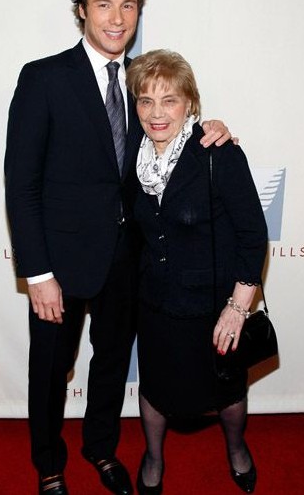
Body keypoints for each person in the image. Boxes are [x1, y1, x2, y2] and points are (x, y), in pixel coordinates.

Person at [4, 0, 232, 495]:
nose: (116, 17)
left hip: (126, 261)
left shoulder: (140, 80)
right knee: (49, 371)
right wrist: (37, 273)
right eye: (104, 4)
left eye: (128, 5)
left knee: (110, 363)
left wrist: (211, 129)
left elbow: (169, 130)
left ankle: (101, 449)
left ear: (138, 12)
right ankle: (49, 464)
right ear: (82, 10)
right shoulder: (44, 78)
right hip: (58, 265)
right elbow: (22, 183)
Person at [126, 49, 268, 494]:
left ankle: (237, 450)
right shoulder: (133, 156)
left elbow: (252, 234)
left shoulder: (215, 153)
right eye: (145, 100)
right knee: (155, 390)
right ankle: (153, 459)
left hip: (212, 305)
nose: (156, 112)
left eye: (169, 100)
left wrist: (238, 307)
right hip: (155, 303)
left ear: (191, 103)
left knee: (226, 394)